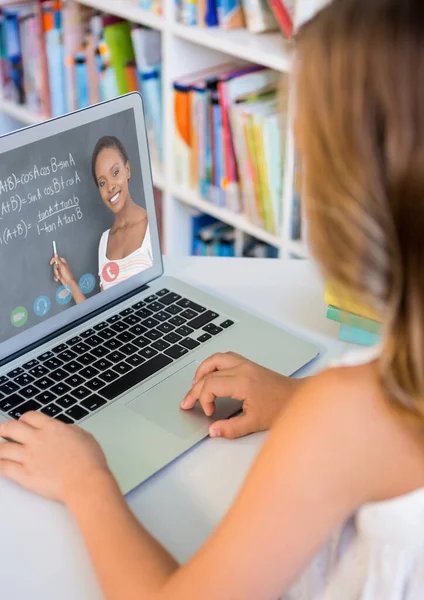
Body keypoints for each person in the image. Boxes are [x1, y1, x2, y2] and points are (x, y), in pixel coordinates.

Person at [2, 0, 424, 597]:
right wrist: (296, 399)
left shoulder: (345, 417)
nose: (299, 182)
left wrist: (86, 479)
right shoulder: (361, 405)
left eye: (306, 159)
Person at [50, 136, 153, 304]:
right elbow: (102, 316)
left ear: (127, 170)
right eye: (102, 182)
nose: (110, 186)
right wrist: (70, 282)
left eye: (115, 172)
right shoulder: (105, 241)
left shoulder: (151, 227)